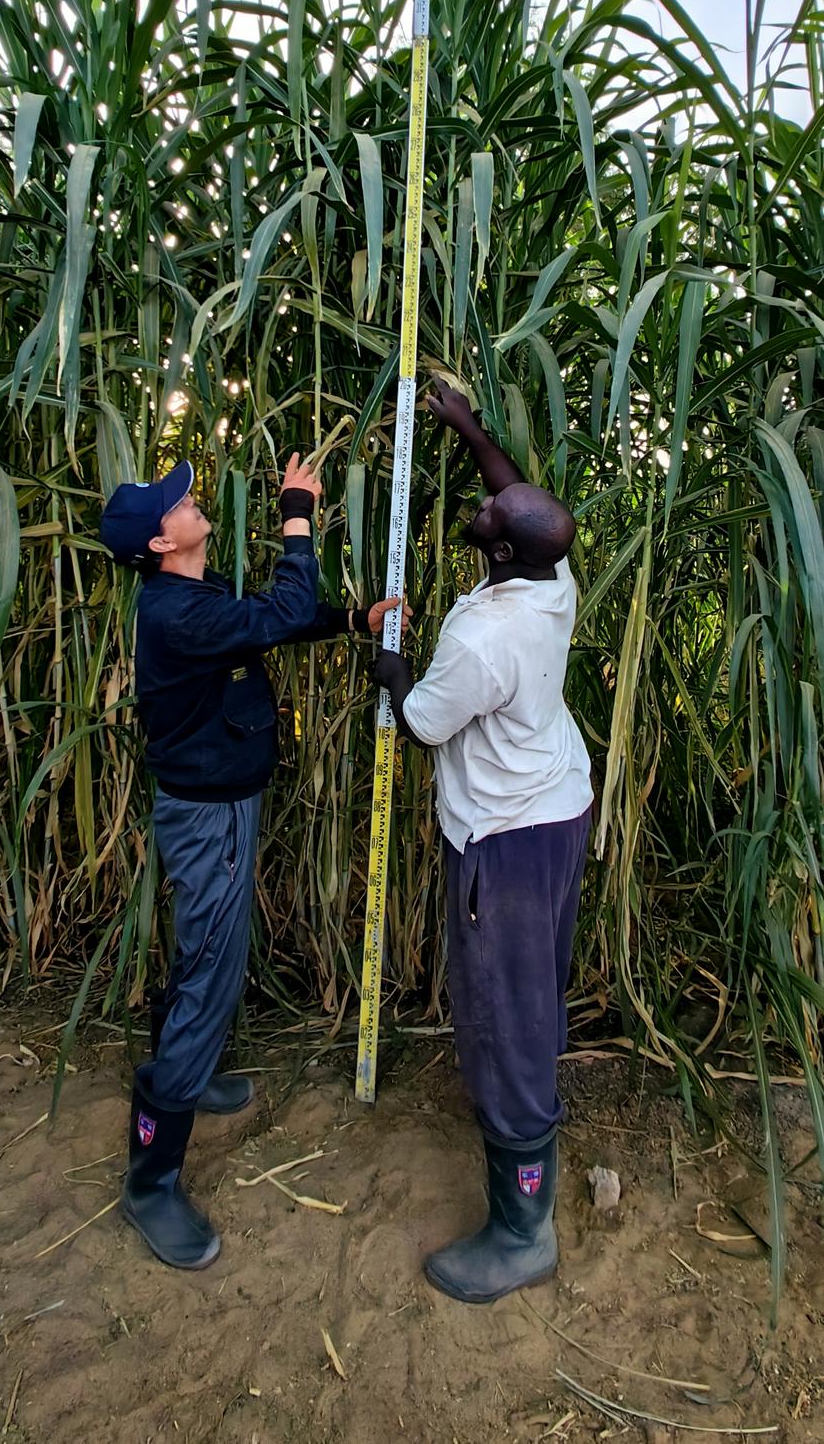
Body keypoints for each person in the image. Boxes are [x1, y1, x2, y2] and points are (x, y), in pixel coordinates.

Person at [100, 452, 408, 1272]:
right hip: (210, 821)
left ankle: (188, 1076)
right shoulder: (174, 614)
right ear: (164, 542)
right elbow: (279, 601)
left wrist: (349, 621)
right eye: (180, 502)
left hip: (217, 809)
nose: (193, 500)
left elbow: (269, 619)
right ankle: (151, 1178)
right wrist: (298, 515)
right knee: (209, 975)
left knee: (202, 958)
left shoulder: (188, 599)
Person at [373, 382, 592, 1306]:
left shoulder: (481, 636)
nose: (486, 495)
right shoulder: (552, 579)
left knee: (500, 1014)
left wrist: (385, 659)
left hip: (500, 838)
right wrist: (464, 425)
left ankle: (520, 1227)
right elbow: (517, 493)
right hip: (557, 809)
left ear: (501, 548)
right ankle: (534, 1123)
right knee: (533, 984)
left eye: (489, 510)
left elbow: (421, 724)